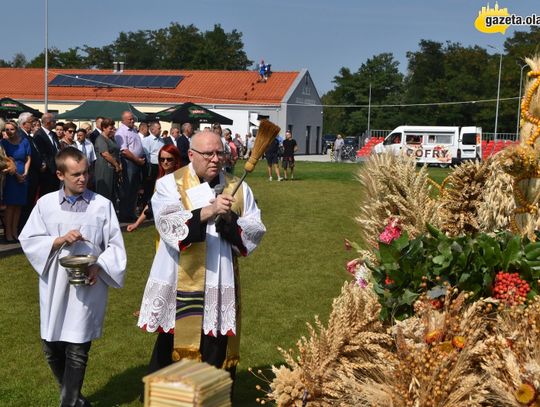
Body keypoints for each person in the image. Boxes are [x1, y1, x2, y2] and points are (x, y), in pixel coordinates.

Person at [137, 130, 266, 389]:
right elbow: (168, 224)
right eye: (208, 154)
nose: (216, 159)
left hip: (220, 278)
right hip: (179, 280)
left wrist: (230, 220)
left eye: (220, 153)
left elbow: (254, 229)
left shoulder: (237, 187)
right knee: (174, 342)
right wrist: (210, 210)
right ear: (191, 154)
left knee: (215, 340)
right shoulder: (169, 184)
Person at [19, 147, 126, 407]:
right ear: (59, 174)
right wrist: (59, 240)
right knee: (51, 348)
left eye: (86, 173)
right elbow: (29, 239)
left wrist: (98, 266)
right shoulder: (45, 205)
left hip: (88, 287)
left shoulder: (102, 206)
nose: (83, 179)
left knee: (77, 349)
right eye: (76, 174)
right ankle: (76, 399)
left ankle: (67, 402)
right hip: (54, 284)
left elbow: (116, 246)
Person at [126, 144, 181, 232]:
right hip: (162, 226)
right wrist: (137, 224)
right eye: (162, 159)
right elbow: (151, 203)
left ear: (176, 160)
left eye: (169, 159)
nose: (165, 162)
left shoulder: (182, 179)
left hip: (178, 224)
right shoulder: (159, 180)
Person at [1, 120, 31, 243]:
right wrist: (17, 174)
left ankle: (15, 231)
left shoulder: (24, 141)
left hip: (23, 176)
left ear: (16, 129)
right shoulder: (3, 143)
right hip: (10, 176)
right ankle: (8, 232)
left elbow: (29, 158)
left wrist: (25, 173)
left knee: (18, 206)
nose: (9, 131)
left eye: (11, 129)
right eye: (6, 129)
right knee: (10, 206)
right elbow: (5, 161)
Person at [115, 111, 146, 222]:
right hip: (129, 162)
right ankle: (124, 215)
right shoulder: (121, 132)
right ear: (123, 120)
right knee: (127, 190)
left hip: (137, 163)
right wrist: (137, 160)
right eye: (130, 119)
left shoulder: (133, 130)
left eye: (133, 119)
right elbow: (124, 151)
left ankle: (131, 213)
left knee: (134, 190)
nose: (132, 121)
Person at [94, 118, 122, 206]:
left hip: (112, 170)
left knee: (112, 193)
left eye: (113, 128)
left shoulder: (111, 139)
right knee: (105, 192)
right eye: (110, 128)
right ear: (104, 128)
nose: (112, 130)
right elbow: (105, 154)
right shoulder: (100, 139)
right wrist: (116, 165)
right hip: (104, 170)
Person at [34, 113, 61, 195]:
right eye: (54, 121)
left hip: (56, 170)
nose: (55, 123)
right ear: (48, 122)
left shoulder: (53, 134)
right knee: (46, 194)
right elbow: (41, 154)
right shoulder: (39, 135)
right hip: (47, 172)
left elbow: (57, 148)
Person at [141, 121, 165, 211]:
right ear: (152, 129)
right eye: (158, 128)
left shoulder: (161, 140)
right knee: (149, 188)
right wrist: (148, 169)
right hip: (151, 166)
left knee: (159, 187)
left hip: (161, 166)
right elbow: (146, 155)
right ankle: (146, 208)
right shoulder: (147, 140)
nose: (160, 130)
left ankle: (156, 207)